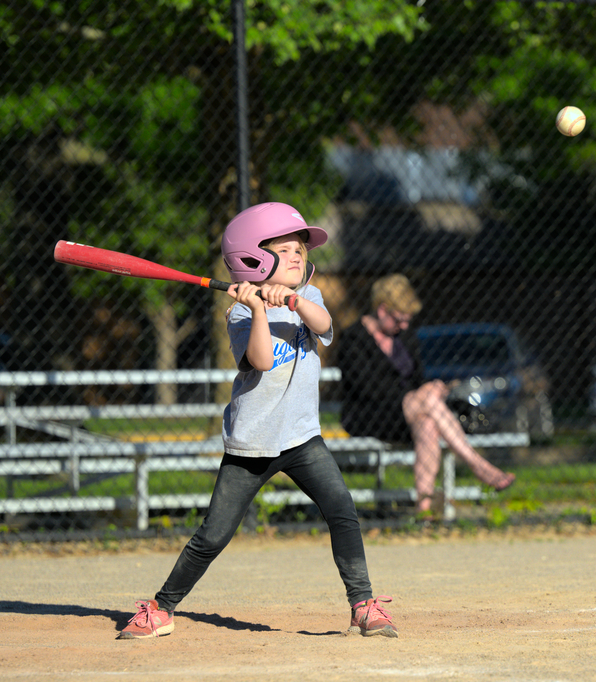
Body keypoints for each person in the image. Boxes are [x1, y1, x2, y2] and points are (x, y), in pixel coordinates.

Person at [117, 202, 397, 640]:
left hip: (302, 438)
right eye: (284, 250)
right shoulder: (241, 313)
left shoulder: (311, 297)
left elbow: (325, 324)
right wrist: (261, 308)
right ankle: (161, 608)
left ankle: (362, 605)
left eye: (299, 249)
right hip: (252, 445)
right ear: (252, 259)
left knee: (342, 510)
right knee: (213, 535)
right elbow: (262, 360)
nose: (297, 256)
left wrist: (292, 300)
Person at [337, 273, 515, 516]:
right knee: (426, 401)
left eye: (407, 320)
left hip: (407, 414)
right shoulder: (353, 338)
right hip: (367, 414)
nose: (404, 326)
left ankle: (424, 508)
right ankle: (478, 465)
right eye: (399, 319)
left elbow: (416, 379)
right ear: (382, 309)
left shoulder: (404, 337)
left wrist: (432, 389)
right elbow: (365, 387)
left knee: (428, 424)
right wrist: (415, 396)